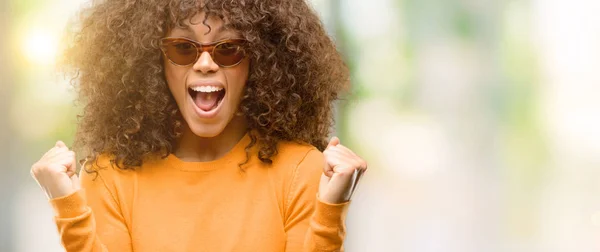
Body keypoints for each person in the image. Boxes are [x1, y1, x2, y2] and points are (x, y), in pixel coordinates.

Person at [30, 0, 367, 251]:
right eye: (182, 48)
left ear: (260, 61)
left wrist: (329, 217)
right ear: (153, 62)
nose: (205, 63)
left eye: (229, 49)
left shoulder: (300, 170)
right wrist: (69, 211)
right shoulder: (111, 175)